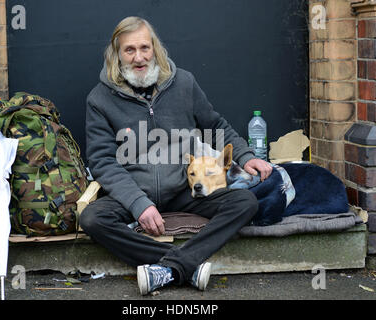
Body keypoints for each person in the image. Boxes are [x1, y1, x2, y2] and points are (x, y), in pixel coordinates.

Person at [81, 16, 272, 295]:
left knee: (244, 201)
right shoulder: (99, 99)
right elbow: (102, 161)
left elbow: (215, 126)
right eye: (129, 50)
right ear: (116, 54)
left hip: (185, 189)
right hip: (134, 191)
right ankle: (187, 267)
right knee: (92, 219)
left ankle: (171, 268)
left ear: (155, 49)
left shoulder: (183, 82)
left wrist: (246, 155)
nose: (139, 57)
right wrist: (139, 204)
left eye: (145, 48)